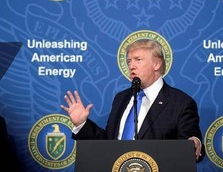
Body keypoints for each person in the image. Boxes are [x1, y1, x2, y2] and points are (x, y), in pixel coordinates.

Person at [61, 38, 205, 162]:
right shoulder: (121, 98)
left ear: (157, 64)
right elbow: (109, 143)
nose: (131, 66)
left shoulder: (181, 103)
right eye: (129, 61)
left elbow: (190, 145)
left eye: (138, 60)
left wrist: (194, 144)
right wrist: (82, 124)